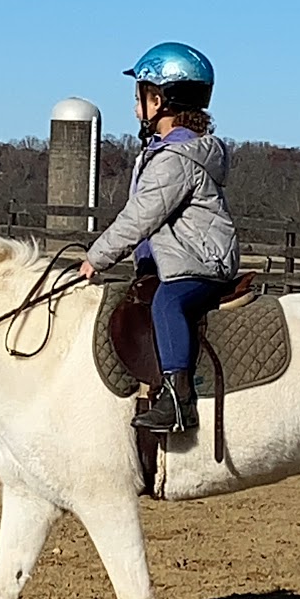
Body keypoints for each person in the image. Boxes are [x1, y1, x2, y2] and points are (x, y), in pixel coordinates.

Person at [78, 43, 239, 433]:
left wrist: (95, 259)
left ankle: (179, 401)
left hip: (200, 263)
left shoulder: (175, 159)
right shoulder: (166, 152)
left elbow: (139, 217)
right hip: (180, 259)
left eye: (140, 99)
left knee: (167, 303)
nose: (136, 109)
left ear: (160, 100)